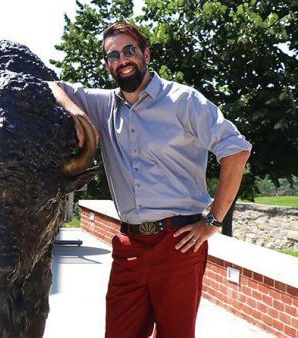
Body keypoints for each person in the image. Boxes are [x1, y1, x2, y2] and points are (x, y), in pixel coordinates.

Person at [49, 22, 251, 338]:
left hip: (179, 242)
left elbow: (236, 151)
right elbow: (49, 85)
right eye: (113, 54)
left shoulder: (184, 100)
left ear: (145, 53)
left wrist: (213, 221)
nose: (122, 59)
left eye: (129, 50)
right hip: (128, 245)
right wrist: (78, 115)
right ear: (107, 64)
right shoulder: (102, 105)